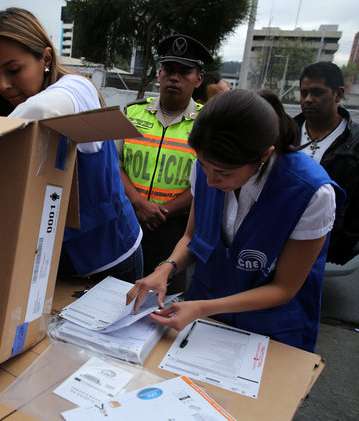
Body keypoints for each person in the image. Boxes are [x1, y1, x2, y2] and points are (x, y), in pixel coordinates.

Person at [126, 89, 344, 352]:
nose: (210, 181)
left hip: (271, 329)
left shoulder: (310, 192)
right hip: (202, 313)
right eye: (203, 166)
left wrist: (202, 307)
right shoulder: (208, 166)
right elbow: (193, 236)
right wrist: (166, 268)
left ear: (264, 156)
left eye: (223, 173)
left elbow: (284, 288)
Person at [0, 7, 143, 282]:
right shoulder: (3, 106)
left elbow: (43, 108)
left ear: (46, 58)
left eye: (14, 70)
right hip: (47, 264)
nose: (3, 85)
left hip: (108, 260)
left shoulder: (77, 89)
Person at [117, 34, 213, 293]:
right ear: (159, 74)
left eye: (184, 72)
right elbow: (115, 164)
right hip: (128, 220)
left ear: (199, 79)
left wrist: (164, 211)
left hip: (175, 230)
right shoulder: (133, 113)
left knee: (163, 301)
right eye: (169, 70)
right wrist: (138, 203)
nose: (174, 77)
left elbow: (210, 180)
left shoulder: (208, 122)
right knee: (117, 293)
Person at [294, 62, 359, 265]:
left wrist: (346, 243)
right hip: (281, 232)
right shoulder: (286, 132)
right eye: (303, 93)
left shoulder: (355, 142)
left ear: (338, 94)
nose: (308, 99)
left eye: (317, 92)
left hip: (328, 241)